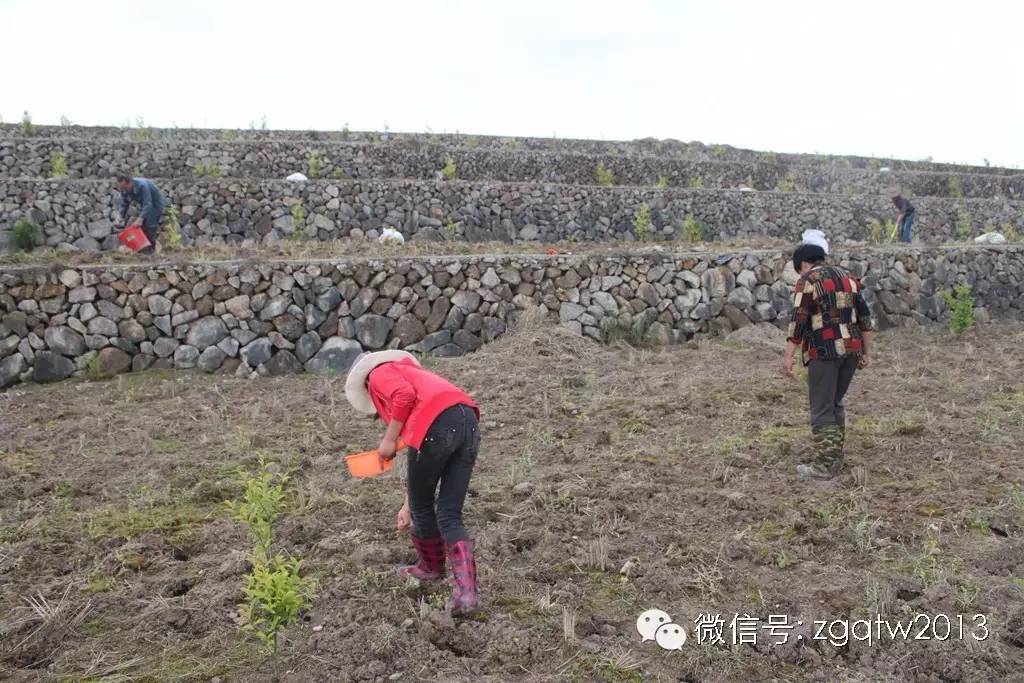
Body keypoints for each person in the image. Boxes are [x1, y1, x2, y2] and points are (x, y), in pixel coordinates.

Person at [345, 350, 481, 613]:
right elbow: (421, 452)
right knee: (450, 514)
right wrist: (408, 502)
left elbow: (403, 397)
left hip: (438, 427)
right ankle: (467, 595)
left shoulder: (378, 373)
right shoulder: (415, 376)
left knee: (424, 507)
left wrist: (387, 440)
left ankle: (430, 568)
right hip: (468, 422)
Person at [783, 244, 874, 480]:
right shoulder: (849, 278)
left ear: (803, 264)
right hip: (852, 349)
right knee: (835, 403)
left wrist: (789, 354)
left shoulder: (808, 280)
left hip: (824, 350)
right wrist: (867, 352)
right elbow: (865, 318)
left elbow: (799, 319)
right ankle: (835, 458)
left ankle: (824, 466)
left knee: (822, 407)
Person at [115, 174, 166, 254]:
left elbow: (148, 204)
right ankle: (142, 248)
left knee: (150, 225)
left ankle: (152, 250)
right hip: (143, 204)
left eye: (124, 188)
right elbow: (124, 204)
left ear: (130, 183)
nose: (123, 190)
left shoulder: (142, 185)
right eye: (121, 188)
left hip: (155, 204)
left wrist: (140, 218)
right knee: (137, 225)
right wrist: (120, 216)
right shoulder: (124, 190)